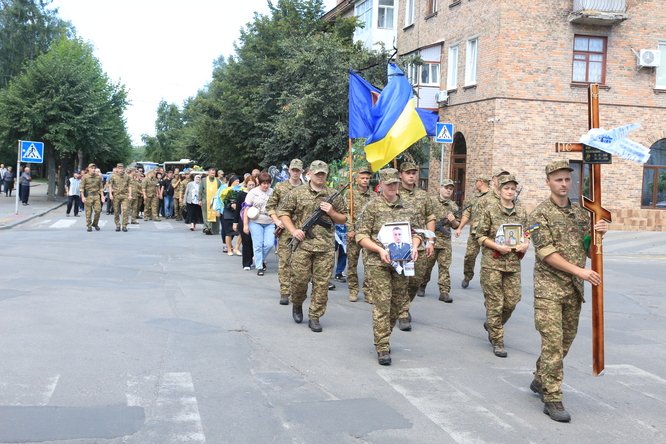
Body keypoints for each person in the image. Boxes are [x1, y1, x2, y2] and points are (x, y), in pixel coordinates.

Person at [528, 159, 608, 422]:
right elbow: (546, 253)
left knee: (564, 344)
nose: (563, 184)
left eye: (567, 179)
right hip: (549, 289)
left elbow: (587, 249)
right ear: (548, 182)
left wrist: (599, 235)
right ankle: (553, 398)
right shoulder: (539, 215)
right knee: (552, 343)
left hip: (573, 290)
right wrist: (580, 272)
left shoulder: (581, 214)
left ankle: (541, 378)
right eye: (558, 179)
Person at [356, 168, 422, 365]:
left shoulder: (408, 207)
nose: (393, 187)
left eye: (395, 183)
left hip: (402, 264)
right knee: (383, 303)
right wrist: (379, 250)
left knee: (397, 305)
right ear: (381, 185)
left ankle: (385, 334)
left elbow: (418, 232)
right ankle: (382, 345)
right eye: (389, 184)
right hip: (379, 263)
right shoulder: (372, 207)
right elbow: (361, 235)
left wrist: (416, 246)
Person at [278, 160, 347, 333]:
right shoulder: (297, 193)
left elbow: (344, 219)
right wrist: (294, 230)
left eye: (323, 173)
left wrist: (331, 212)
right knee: (299, 281)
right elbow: (284, 213)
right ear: (309, 174)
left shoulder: (334, 195)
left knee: (321, 285)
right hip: (303, 246)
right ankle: (297, 303)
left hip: (325, 248)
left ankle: (315, 316)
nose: (320, 176)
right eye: (317, 173)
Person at [476, 174, 529, 358]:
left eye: (513, 189)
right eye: (506, 188)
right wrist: (497, 246)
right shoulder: (490, 210)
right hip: (492, 263)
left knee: (513, 300)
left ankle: (492, 323)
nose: (510, 192)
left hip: (513, 264)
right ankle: (497, 340)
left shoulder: (521, 211)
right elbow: (480, 236)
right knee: (495, 303)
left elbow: (528, 232)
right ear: (499, 190)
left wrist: (526, 243)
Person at [396, 161, 436, 332]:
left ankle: (404, 304)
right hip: (399, 244)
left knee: (416, 280)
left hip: (419, 243)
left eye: (414, 172)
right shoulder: (394, 192)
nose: (411, 175)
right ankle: (403, 312)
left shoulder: (423, 195)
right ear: (401, 175)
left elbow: (430, 217)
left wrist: (431, 240)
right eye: (408, 173)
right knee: (401, 280)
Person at [267, 158, 303, 305]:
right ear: (289, 170)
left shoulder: (306, 188)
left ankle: (297, 290)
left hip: (301, 230)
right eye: (293, 170)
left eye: (298, 170)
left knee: (300, 263)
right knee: (284, 262)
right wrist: (276, 220)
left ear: (301, 171)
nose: (295, 173)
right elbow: (270, 206)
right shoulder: (280, 187)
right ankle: (285, 291)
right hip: (285, 231)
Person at [420, 179, 460, 303]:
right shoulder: (430, 201)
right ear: (440, 188)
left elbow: (456, 226)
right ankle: (421, 285)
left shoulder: (453, 206)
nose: (448, 190)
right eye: (446, 187)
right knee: (427, 266)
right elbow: (423, 218)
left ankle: (444, 291)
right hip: (431, 239)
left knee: (444, 267)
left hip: (445, 242)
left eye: (451, 188)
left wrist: (453, 220)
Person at [345, 163, 377, 303]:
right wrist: (350, 229)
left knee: (369, 263)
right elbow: (346, 213)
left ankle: (368, 291)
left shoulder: (374, 196)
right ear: (357, 179)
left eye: (367, 178)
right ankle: (353, 289)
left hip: (368, 235)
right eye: (362, 178)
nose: (365, 180)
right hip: (354, 233)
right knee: (352, 263)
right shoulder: (350, 194)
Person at [455, 175, 491, 288]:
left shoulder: (494, 197)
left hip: (489, 233)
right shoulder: (473, 197)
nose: (475, 184)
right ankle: (467, 276)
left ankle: (487, 282)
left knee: (488, 259)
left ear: (481, 182)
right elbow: (467, 214)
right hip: (474, 233)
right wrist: (460, 228)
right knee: (469, 256)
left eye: (476, 181)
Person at [243, 172, 275, 276]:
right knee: (257, 245)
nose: (265, 185)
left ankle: (257, 258)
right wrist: (245, 224)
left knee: (269, 244)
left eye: (267, 183)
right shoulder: (252, 192)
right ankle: (259, 266)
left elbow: (277, 207)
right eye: (263, 183)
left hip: (270, 221)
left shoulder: (273, 192)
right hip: (256, 221)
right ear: (259, 183)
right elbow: (246, 209)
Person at [234, 176, 257, 270]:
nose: (251, 186)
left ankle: (255, 259)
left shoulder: (258, 194)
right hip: (243, 220)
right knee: (246, 242)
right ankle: (246, 263)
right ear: (246, 185)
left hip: (256, 220)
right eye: (249, 184)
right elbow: (237, 210)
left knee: (255, 242)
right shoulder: (241, 195)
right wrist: (235, 222)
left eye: (253, 184)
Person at [80, 163, 105, 231]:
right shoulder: (85, 177)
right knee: (88, 212)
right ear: (88, 169)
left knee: (98, 210)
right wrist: (82, 197)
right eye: (92, 168)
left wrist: (102, 196)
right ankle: (89, 225)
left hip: (96, 195)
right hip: (88, 196)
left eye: (94, 168)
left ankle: (95, 223)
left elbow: (101, 187)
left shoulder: (98, 177)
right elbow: (81, 187)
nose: (93, 169)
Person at [109, 163, 133, 232]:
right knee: (116, 211)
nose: (120, 170)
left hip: (125, 195)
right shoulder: (113, 176)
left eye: (122, 168)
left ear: (124, 169)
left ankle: (124, 225)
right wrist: (110, 194)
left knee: (125, 210)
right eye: (119, 168)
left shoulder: (127, 177)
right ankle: (117, 225)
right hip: (116, 195)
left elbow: (129, 186)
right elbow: (110, 185)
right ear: (117, 169)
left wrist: (130, 195)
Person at [199, 168, 221, 235]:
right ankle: (207, 228)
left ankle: (214, 229)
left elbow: (220, 190)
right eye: (211, 173)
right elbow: (200, 190)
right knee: (205, 215)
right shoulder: (204, 180)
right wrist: (199, 199)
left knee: (215, 215)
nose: (212, 174)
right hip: (206, 200)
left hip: (215, 201)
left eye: (214, 173)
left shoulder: (217, 181)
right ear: (208, 173)